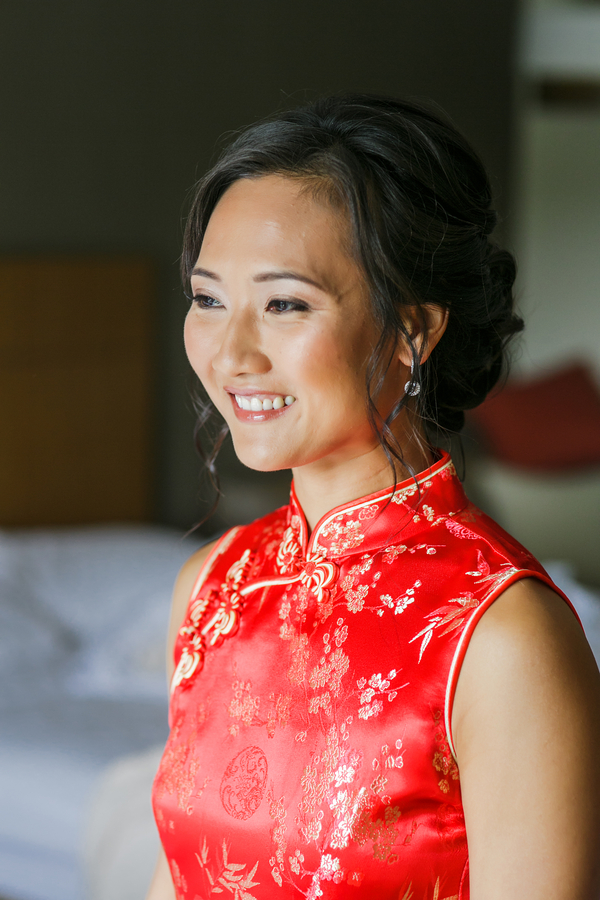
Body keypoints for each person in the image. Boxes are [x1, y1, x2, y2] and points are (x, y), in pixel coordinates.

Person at [147, 94, 600, 899]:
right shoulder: (212, 586)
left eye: (285, 304)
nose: (231, 353)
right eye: (209, 298)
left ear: (412, 331)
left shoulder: (500, 636)